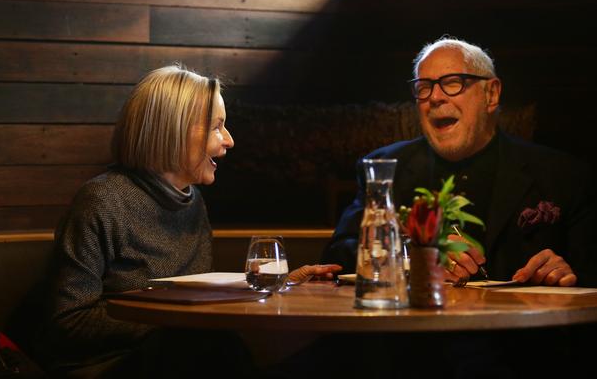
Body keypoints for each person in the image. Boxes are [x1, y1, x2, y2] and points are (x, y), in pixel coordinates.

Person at [31, 65, 340, 378]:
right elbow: (68, 320)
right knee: (201, 346)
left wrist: (280, 287)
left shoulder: (192, 202)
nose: (229, 140)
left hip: (180, 357)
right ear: (173, 130)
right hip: (104, 365)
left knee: (328, 350)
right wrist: (178, 321)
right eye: (216, 127)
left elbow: (195, 299)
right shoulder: (102, 199)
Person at [323, 36, 597, 287]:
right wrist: (413, 254)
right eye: (424, 87)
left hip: (520, 334)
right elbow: (338, 255)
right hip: (414, 331)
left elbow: (588, 271)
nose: (435, 97)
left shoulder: (563, 174)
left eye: (453, 83)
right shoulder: (385, 166)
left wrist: (565, 271)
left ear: (491, 94)